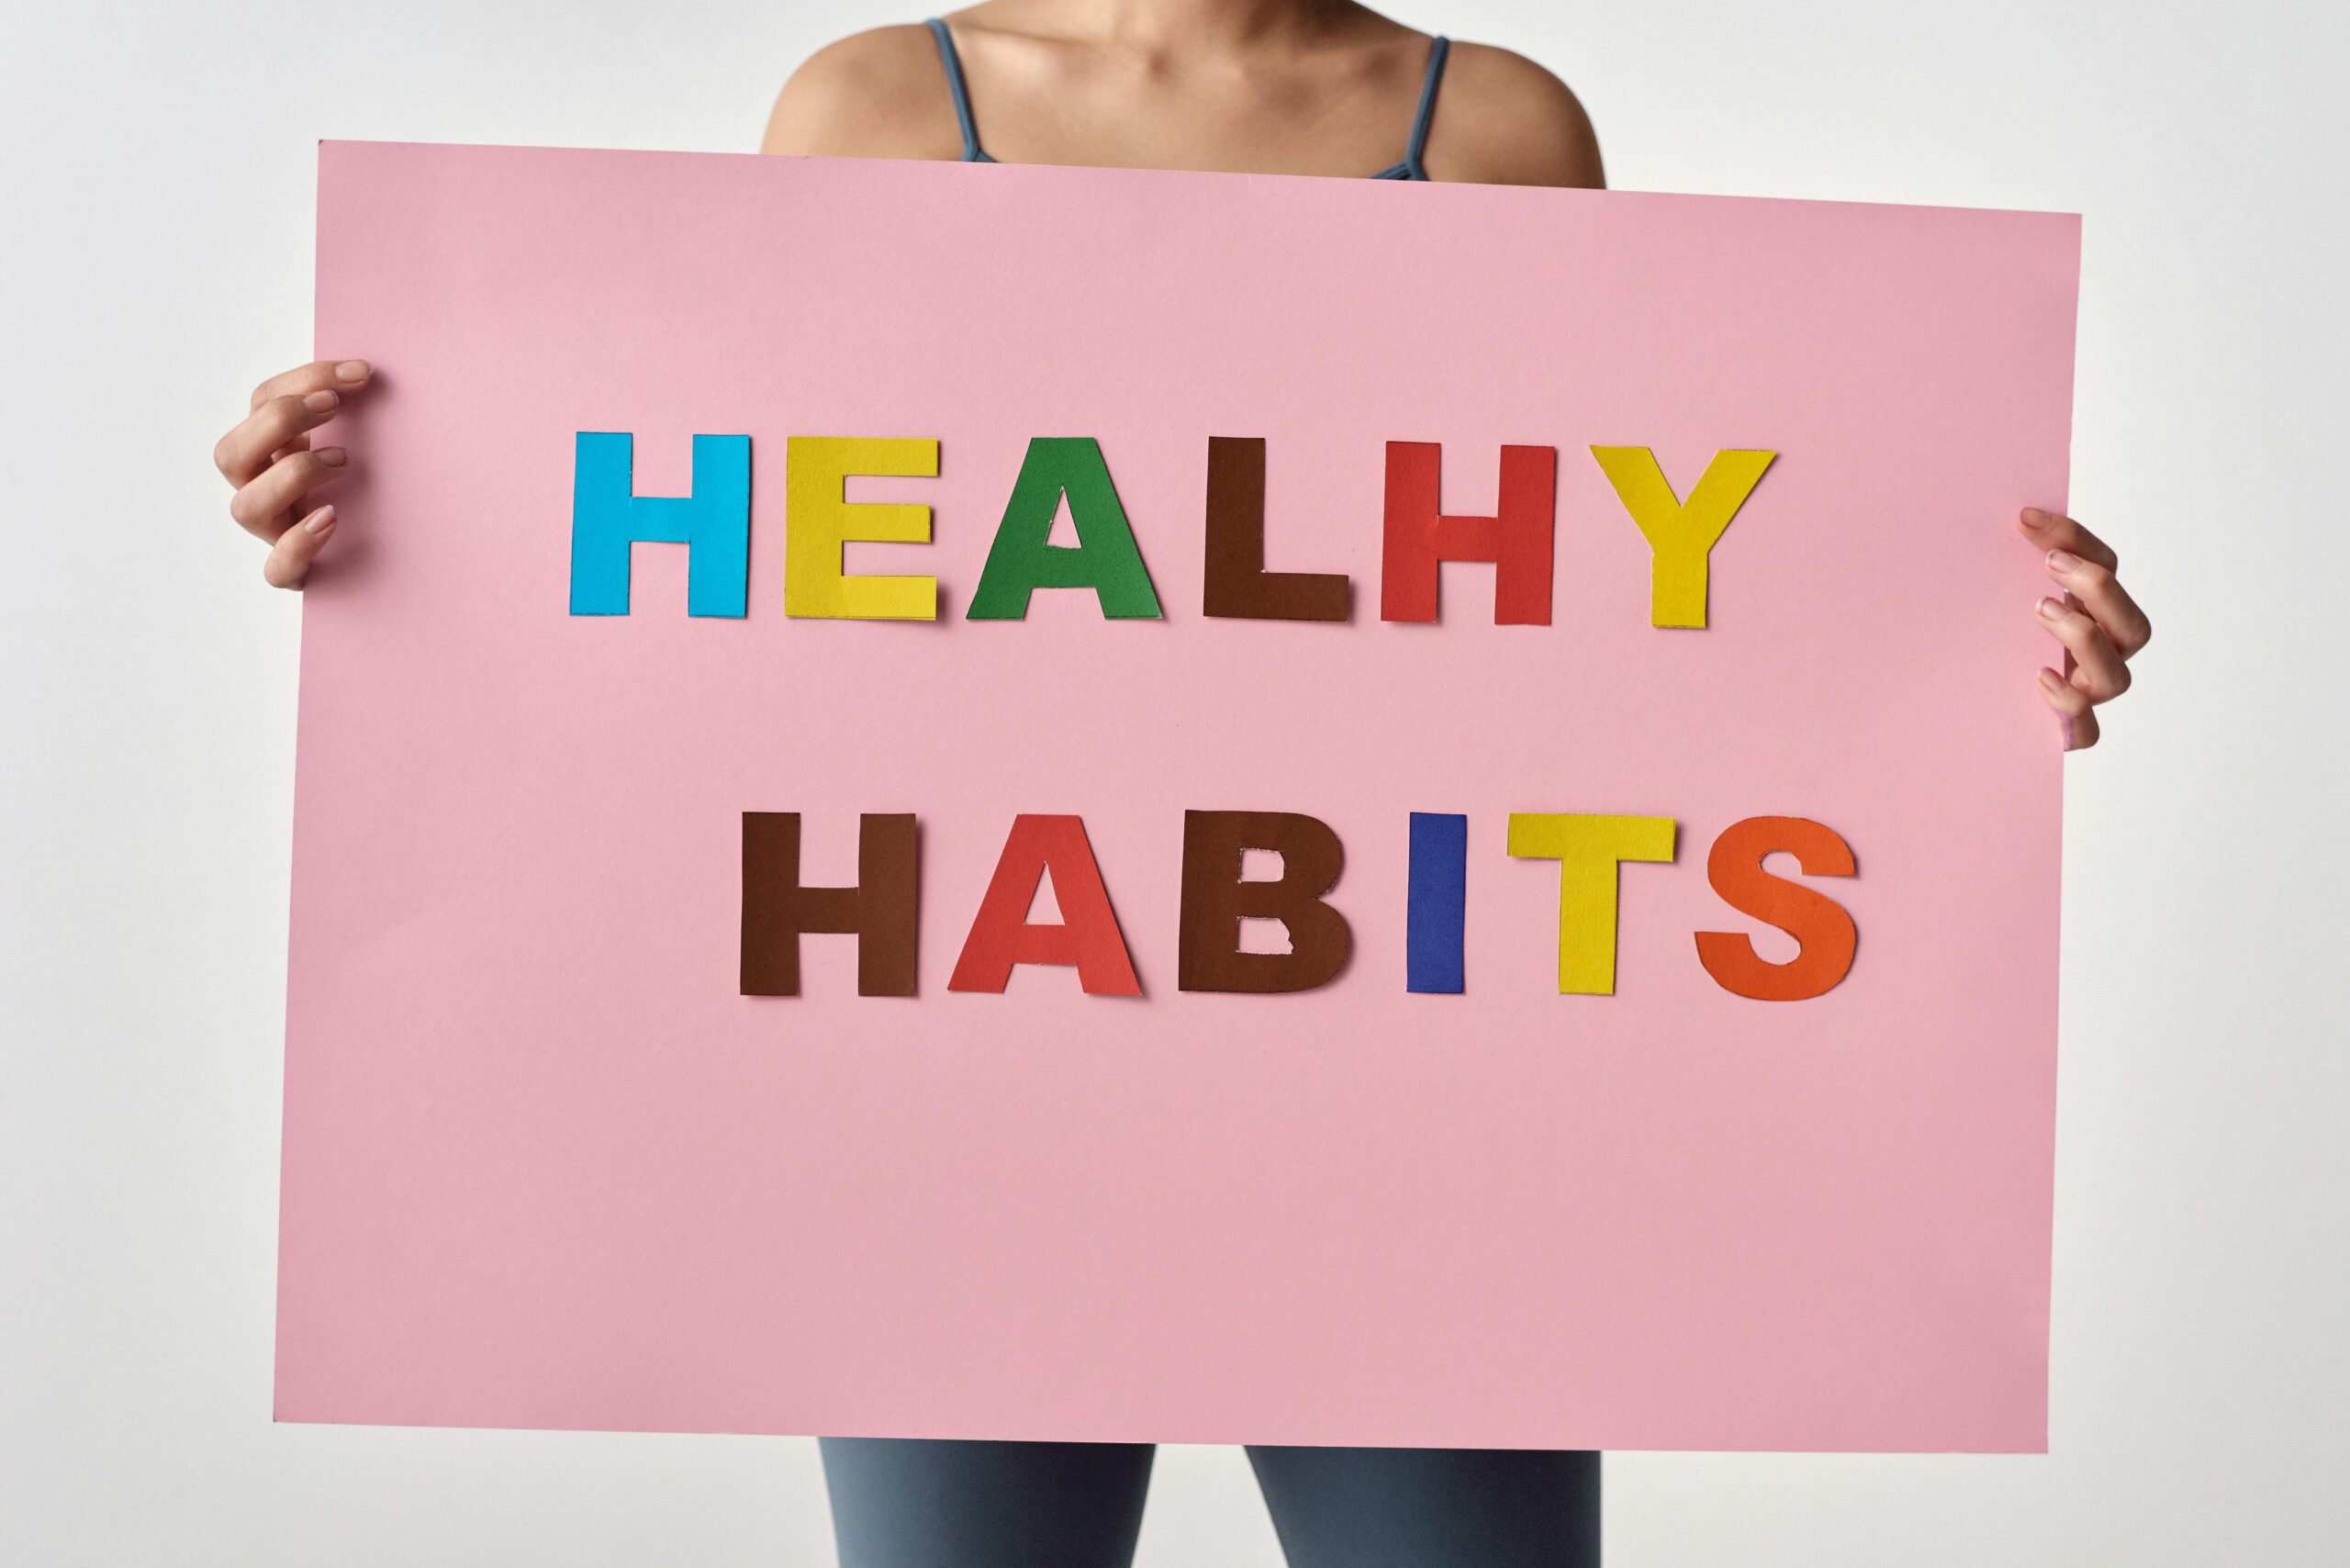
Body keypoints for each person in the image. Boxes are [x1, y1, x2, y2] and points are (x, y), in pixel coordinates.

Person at [208, 5, 2154, 1563]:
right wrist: (418, 507)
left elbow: (1602, 600)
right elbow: (758, 581)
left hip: (1401, 1062)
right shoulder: (875, 103)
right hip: (963, 1063)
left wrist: (1955, 663)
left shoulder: (1493, 125)